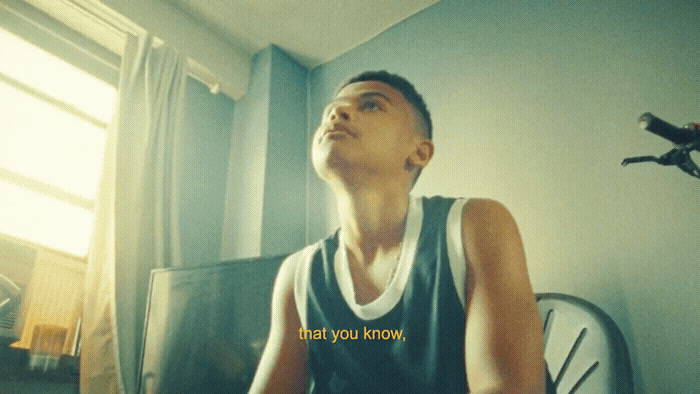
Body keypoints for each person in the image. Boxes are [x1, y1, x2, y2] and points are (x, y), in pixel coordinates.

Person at [249, 71, 549, 393]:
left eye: (371, 105)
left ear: (419, 152)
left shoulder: (477, 225)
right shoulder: (298, 275)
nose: (337, 113)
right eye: (330, 110)